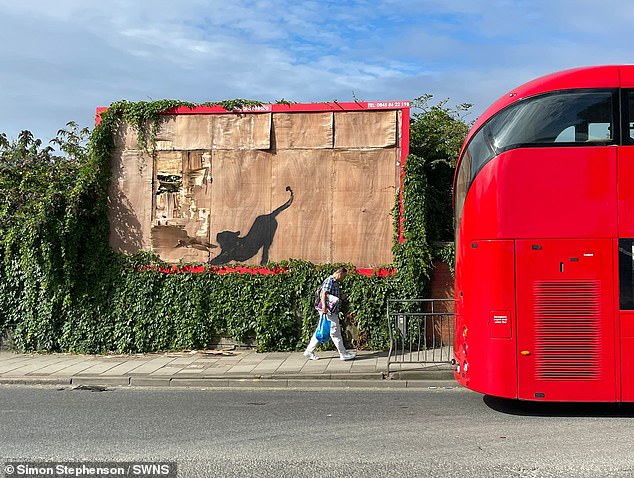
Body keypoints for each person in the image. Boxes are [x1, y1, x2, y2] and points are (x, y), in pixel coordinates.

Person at [303, 267, 356, 361]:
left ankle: (309, 351)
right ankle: (343, 354)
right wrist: (324, 307)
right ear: (339, 274)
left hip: (330, 310)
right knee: (335, 333)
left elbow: (330, 295)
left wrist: (341, 297)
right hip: (329, 311)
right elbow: (323, 293)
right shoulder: (330, 280)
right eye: (343, 276)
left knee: (320, 330)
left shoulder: (334, 282)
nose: (343, 279)